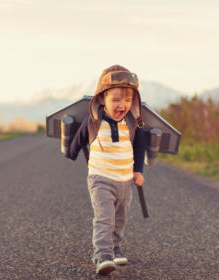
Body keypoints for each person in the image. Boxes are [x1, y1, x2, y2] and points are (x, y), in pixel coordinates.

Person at [66, 64, 145, 275]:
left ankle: (116, 248)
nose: (123, 105)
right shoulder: (94, 121)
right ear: (102, 99)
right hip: (100, 179)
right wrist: (71, 154)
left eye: (128, 100)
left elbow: (139, 147)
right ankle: (102, 255)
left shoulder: (132, 123)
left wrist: (138, 171)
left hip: (125, 181)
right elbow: (79, 138)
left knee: (120, 219)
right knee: (105, 217)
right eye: (116, 100)